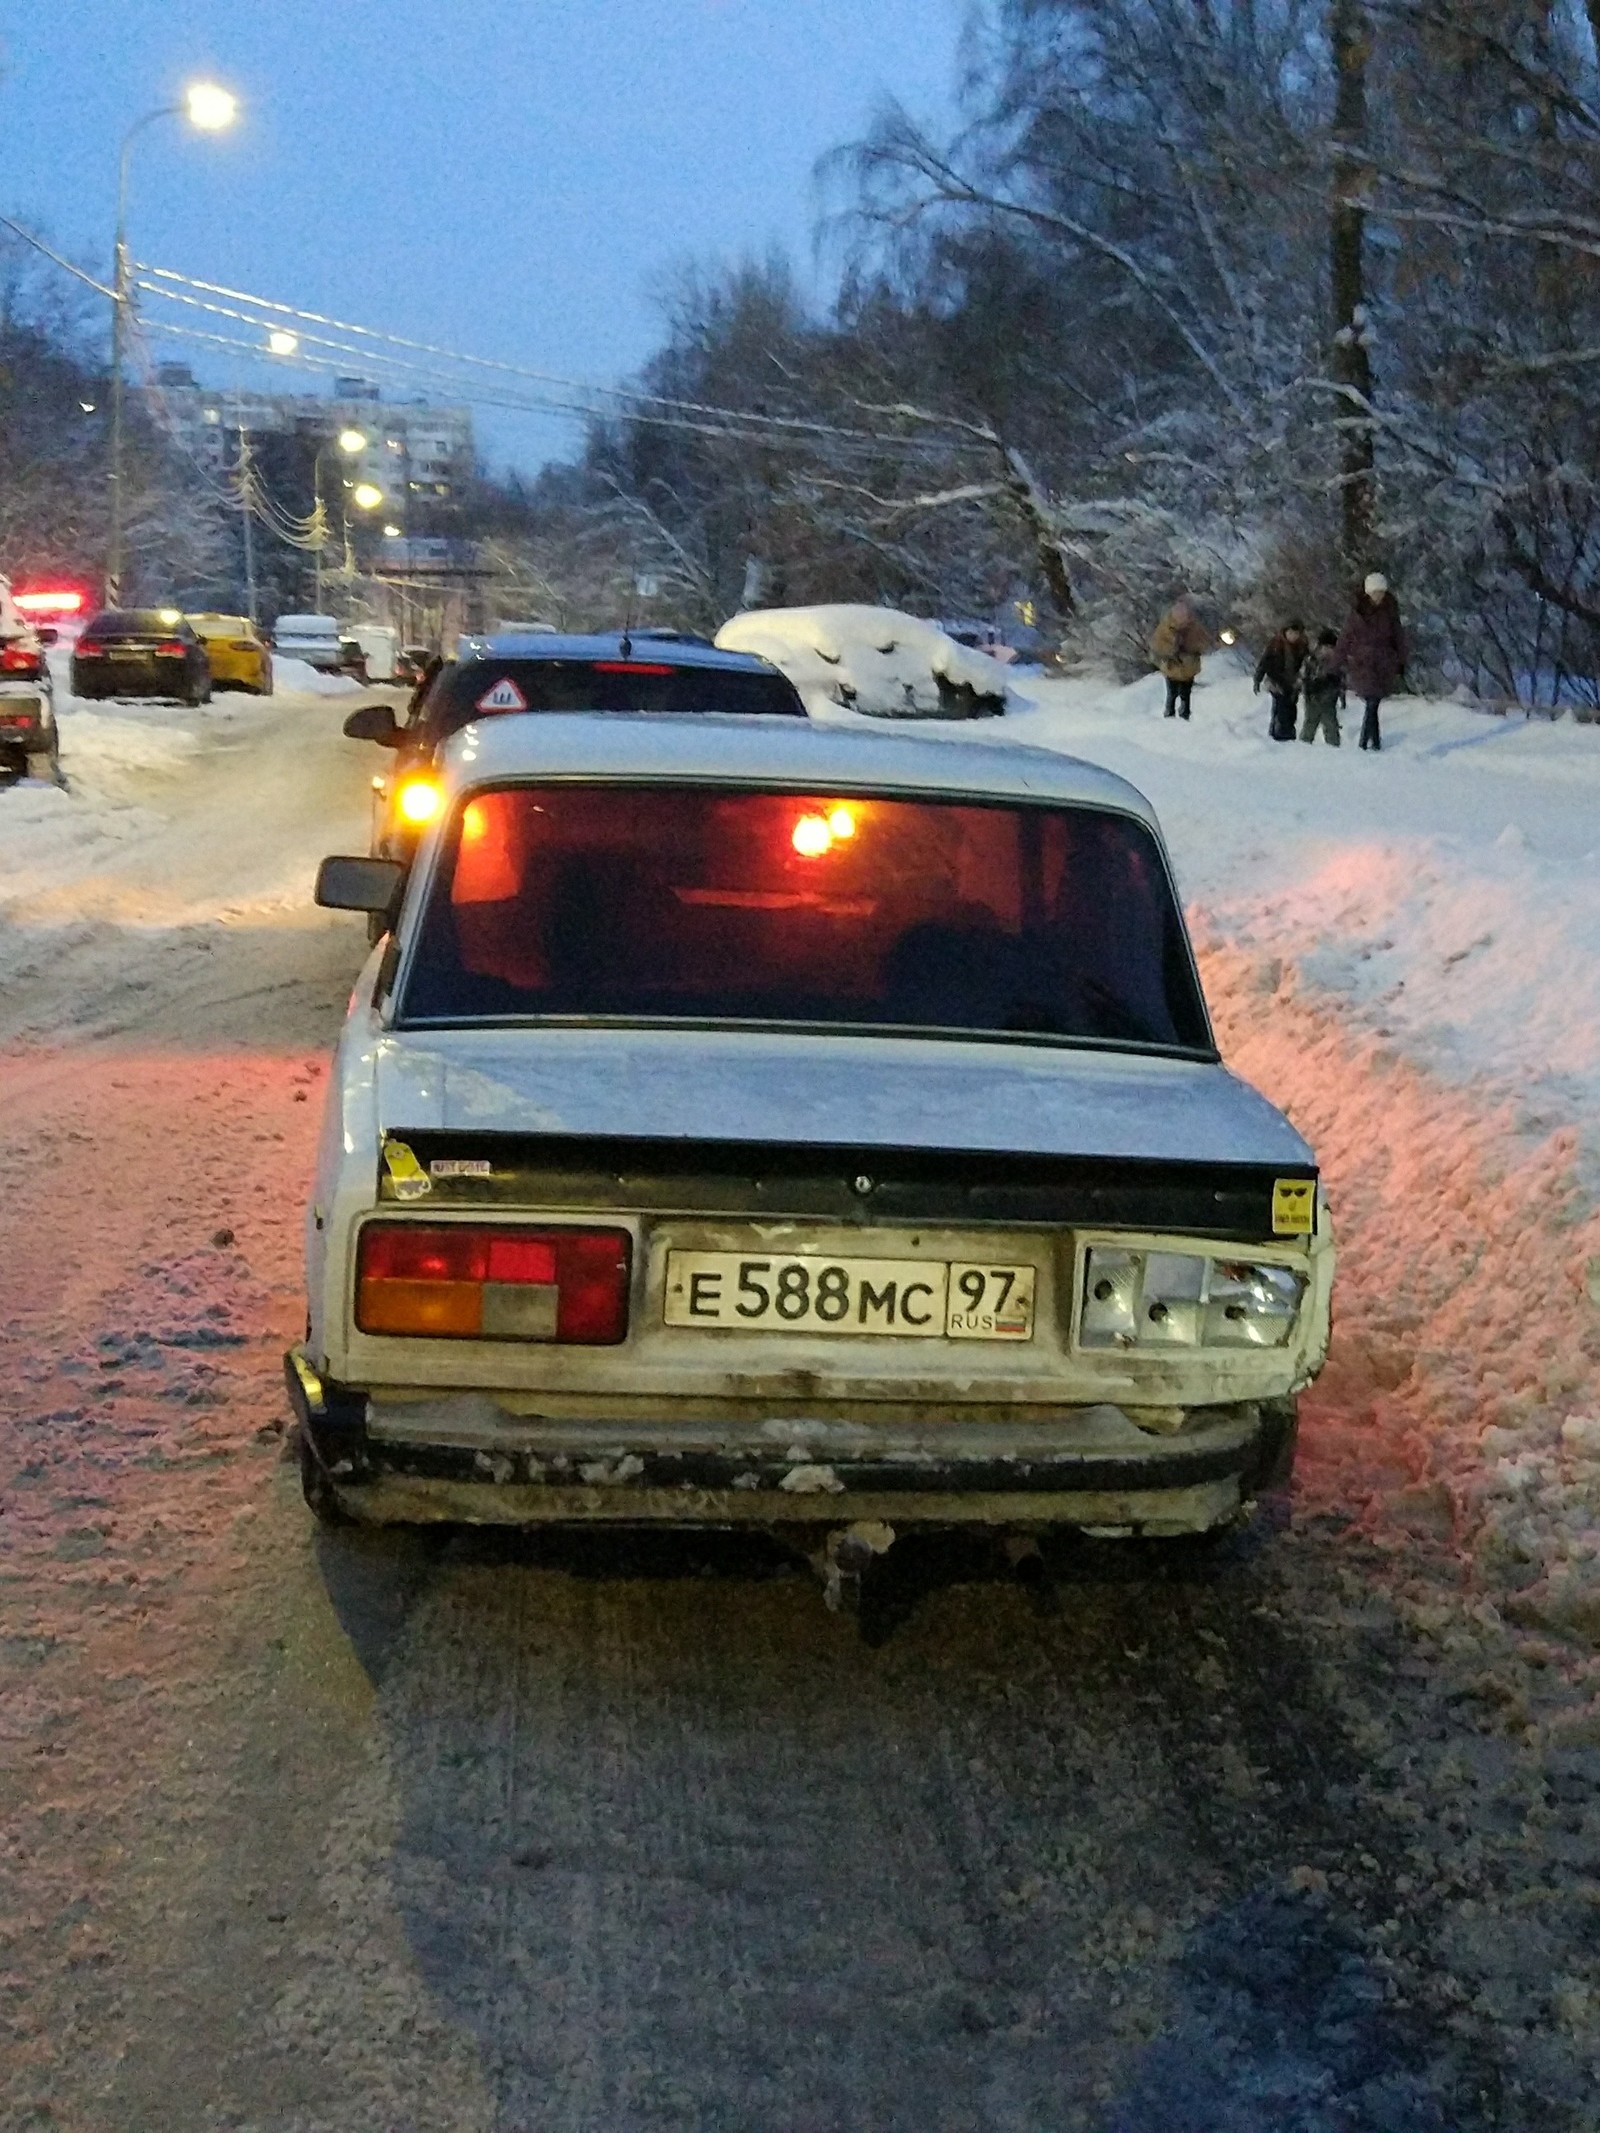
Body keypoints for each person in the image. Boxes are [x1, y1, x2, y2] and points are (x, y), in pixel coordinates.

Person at [1335, 573, 1407, 752]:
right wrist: (1335, 663)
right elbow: (1345, 638)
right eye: (1375, 592)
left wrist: (1402, 661)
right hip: (1363, 664)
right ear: (1368, 593)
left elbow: (1399, 637)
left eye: (1381, 592)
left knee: (1373, 703)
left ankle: (1373, 743)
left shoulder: (1390, 612)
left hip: (1384, 663)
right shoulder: (1357, 613)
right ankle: (1365, 743)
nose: (1379, 596)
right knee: (1372, 702)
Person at [1149, 597, 1211, 719]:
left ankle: (1184, 713)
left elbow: (1203, 643)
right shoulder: (1165, 628)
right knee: (1171, 694)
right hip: (1172, 667)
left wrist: (1190, 650)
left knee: (1186, 693)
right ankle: (1170, 713)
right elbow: (1158, 644)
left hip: (1189, 667)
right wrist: (1171, 650)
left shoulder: (1194, 628)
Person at [1253, 620, 1309, 742]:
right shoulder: (1275, 645)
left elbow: (1306, 664)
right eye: (1291, 633)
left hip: (1293, 683)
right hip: (1276, 681)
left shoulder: (1302, 646)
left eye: (1296, 634)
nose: (1293, 636)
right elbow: (1265, 662)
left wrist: (1301, 680)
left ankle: (1287, 733)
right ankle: (1279, 735)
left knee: (1291, 708)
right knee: (1281, 707)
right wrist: (1258, 679)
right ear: (1286, 632)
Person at [1299, 629, 1345, 746]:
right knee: (1310, 723)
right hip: (1313, 698)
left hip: (1329, 699)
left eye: (1331, 647)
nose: (1328, 650)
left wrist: (1340, 694)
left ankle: (1334, 748)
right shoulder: (1311, 659)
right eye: (1326, 647)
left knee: (1331, 725)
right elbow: (1304, 676)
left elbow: (1342, 680)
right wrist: (1308, 690)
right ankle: (1303, 747)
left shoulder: (1337, 662)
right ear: (1320, 646)